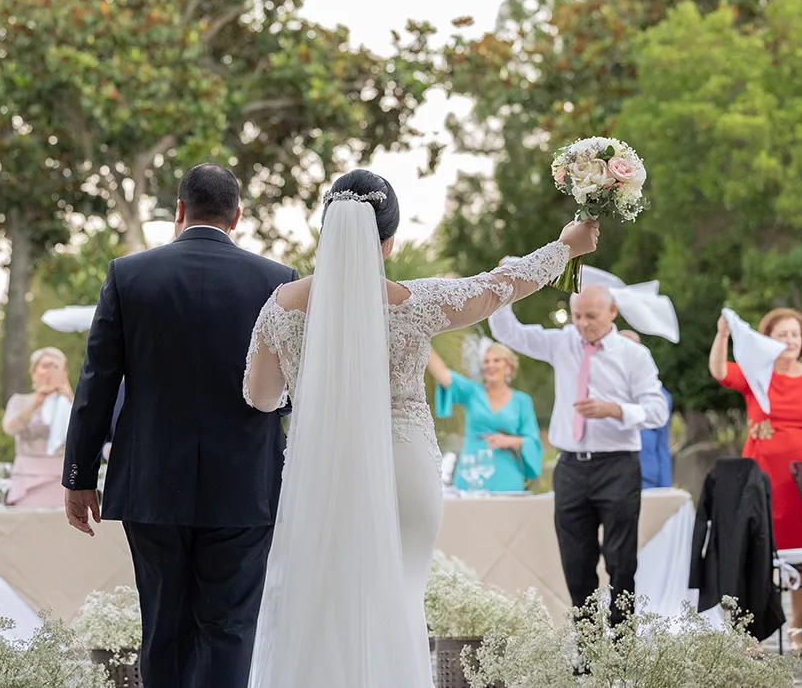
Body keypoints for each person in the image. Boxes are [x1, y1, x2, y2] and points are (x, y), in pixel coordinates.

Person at [242, 169, 598, 686]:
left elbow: (259, 397)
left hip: (320, 472)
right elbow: (496, 287)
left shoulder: (281, 306)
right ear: (387, 243)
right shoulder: (415, 302)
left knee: (319, 602)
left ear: (328, 232)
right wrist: (564, 247)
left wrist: (314, 390)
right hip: (404, 465)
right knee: (401, 598)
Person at [61, 164, 298, 688]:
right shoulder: (276, 281)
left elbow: (97, 381)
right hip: (245, 486)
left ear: (178, 213)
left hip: (151, 484)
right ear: (237, 216)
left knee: (163, 624)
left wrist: (78, 476)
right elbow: (291, 388)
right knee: (232, 626)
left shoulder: (128, 274)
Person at [489, 285, 669, 630]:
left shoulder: (633, 355)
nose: (582, 324)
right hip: (570, 466)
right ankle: (587, 651)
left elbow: (657, 410)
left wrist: (615, 410)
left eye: (591, 316)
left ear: (612, 313)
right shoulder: (563, 343)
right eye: (576, 316)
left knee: (620, 561)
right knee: (576, 562)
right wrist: (506, 285)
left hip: (617, 464)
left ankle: (621, 648)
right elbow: (508, 332)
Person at [708, 307, 802, 652]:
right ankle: (752, 635)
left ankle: (797, 629)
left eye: (794, 335)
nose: (789, 341)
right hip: (759, 477)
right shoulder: (758, 373)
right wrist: (723, 335)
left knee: (801, 558)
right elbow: (721, 372)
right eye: (781, 335)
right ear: (766, 341)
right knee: (756, 555)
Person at [426, 342, 542, 492]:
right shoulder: (473, 392)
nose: (490, 365)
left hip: (507, 474)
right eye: (486, 361)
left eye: (496, 360)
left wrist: (509, 440)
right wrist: (424, 339)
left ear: (509, 367)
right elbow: (442, 374)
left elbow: (532, 441)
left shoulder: (522, 401)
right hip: (472, 470)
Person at [2, 347, 75, 507]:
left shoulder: (71, 404)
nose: (49, 371)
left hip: (61, 475)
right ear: (34, 372)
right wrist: (36, 404)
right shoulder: (20, 401)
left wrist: (70, 397)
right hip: (28, 477)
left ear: (64, 372)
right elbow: (9, 428)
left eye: (55, 366)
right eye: (45, 366)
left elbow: (87, 432)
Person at [621, 330, 675, 489]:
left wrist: (666, 487)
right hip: (612, 478)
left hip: (648, 478)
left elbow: (662, 445)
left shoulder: (660, 397)